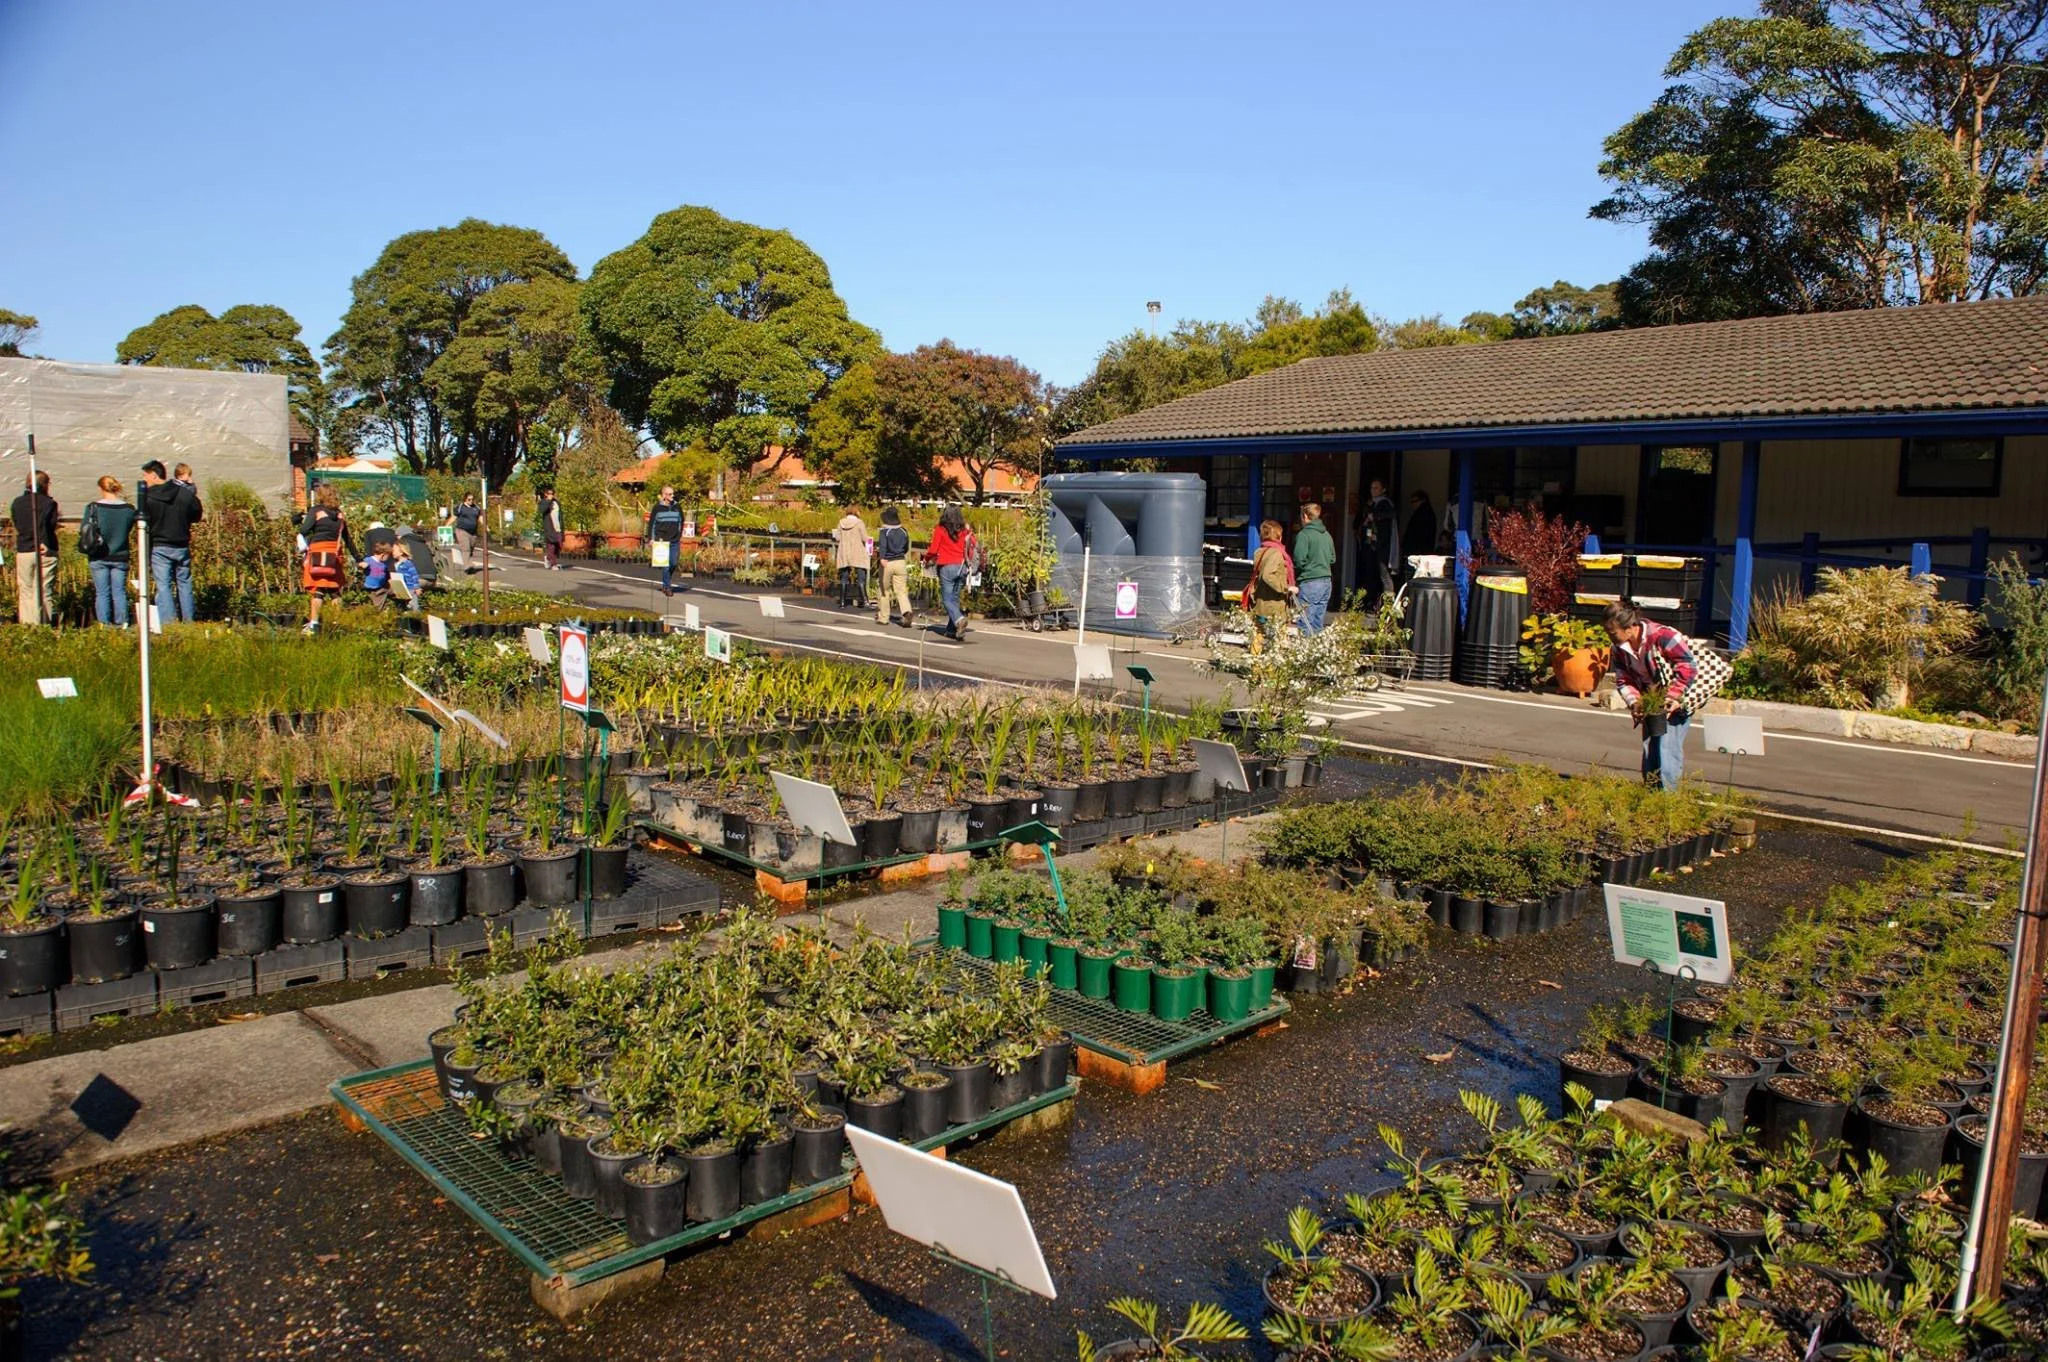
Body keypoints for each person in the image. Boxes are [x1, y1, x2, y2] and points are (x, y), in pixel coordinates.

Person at [1603, 601, 1697, 791]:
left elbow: (1688, 666)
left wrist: (1673, 697)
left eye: (1612, 632)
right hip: (1651, 701)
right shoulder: (1619, 648)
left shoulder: (1662, 635)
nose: (1609, 637)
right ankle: (1651, 797)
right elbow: (1623, 679)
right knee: (1650, 748)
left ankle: (1667, 803)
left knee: (1667, 748)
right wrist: (1635, 702)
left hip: (1676, 699)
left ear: (1630, 628)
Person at [139, 459, 201, 623]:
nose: (144, 480)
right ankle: (189, 620)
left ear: (153, 475)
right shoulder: (184, 493)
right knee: (184, 583)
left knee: (164, 585)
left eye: (145, 476)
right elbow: (197, 513)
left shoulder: (148, 497)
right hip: (181, 545)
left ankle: (169, 623)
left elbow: (142, 521)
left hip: (160, 546)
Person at [81, 475, 138, 627]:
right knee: (119, 592)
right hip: (120, 555)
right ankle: (122, 622)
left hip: (99, 556)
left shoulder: (93, 508)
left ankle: (104, 624)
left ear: (101, 488)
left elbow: (85, 530)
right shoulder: (128, 509)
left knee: (102, 593)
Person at [300, 484, 353, 634]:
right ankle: (337, 623)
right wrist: (358, 558)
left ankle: (314, 624)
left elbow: (304, 530)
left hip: (318, 553)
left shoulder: (316, 511)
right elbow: (348, 539)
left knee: (318, 590)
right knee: (335, 590)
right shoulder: (340, 515)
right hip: (334, 555)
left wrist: (302, 520)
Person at [10, 471, 57, 626]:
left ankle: (28, 626)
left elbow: (18, 524)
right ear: (44, 484)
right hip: (45, 550)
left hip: (24, 549)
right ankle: (44, 625)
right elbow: (48, 526)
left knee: (26, 591)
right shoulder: (49, 503)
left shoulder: (17, 502)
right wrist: (44, 541)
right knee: (44, 591)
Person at [922, 504, 975, 640]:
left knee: (947, 599)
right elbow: (972, 545)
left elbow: (933, 550)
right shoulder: (964, 530)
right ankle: (952, 630)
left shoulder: (940, 529)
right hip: (962, 567)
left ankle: (958, 619)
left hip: (946, 567)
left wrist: (927, 559)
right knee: (954, 599)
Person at [1244, 519, 1295, 647]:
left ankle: (1256, 664)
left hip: (1260, 603)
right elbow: (1267, 576)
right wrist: (1287, 588)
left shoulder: (1259, 552)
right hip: (1274, 605)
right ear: (1279, 536)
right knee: (1278, 637)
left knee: (1259, 635)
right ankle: (1273, 666)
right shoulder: (1277, 553)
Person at [1291, 502, 1335, 634]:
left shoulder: (1304, 535)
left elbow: (1299, 560)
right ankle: (1316, 650)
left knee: (1305, 621)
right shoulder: (1326, 535)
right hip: (1326, 581)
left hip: (1310, 580)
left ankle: (1305, 651)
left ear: (1305, 516)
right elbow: (1332, 558)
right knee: (1317, 621)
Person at [1356, 477, 1399, 607]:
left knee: (1384, 575)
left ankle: (1388, 606)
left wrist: (1374, 516)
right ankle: (1372, 603)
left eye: (1376, 488)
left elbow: (1390, 515)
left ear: (1383, 489)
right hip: (1370, 545)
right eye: (1371, 488)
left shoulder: (1385, 503)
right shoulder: (1370, 503)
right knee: (1371, 574)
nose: (1373, 490)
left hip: (1382, 546)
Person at [873, 506, 914, 628]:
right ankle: (906, 611)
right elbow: (906, 547)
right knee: (901, 590)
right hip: (901, 562)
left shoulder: (884, 532)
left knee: (884, 590)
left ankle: (884, 617)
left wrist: (882, 558)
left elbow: (883, 546)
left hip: (888, 562)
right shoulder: (903, 531)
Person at [644, 486, 684, 595]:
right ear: (664, 495)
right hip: (661, 541)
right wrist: (651, 539)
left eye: (673, 494)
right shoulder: (657, 508)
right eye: (670, 494)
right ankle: (667, 587)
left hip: (675, 540)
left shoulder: (677, 507)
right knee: (666, 565)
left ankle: (666, 582)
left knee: (673, 563)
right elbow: (652, 524)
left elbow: (681, 521)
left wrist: (679, 535)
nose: (672, 496)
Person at [832, 508, 871, 608]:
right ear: (856, 513)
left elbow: (837, 538)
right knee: (861, 576)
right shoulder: (859, 523)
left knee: (844, 578)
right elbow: (864, 538)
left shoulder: (841, 523)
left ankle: (842, 603)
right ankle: (865, 601)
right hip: (858, 551)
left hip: (844, 551)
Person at [1403, 491, 1438, 571]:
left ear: (1423, 500)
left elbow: (1415, 533)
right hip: (1422, 550)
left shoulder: (1422, 514)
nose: (1413, 504)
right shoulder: (1426, 513)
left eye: (1415, 501)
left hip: (1417, 551)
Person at [449, 493, 482, 572]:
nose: (471, 501)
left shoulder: (476, 508)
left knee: (470, 548)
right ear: (465, 499)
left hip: (473, 532)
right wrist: (446, 525)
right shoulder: (460, 507)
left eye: (472, 499)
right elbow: (454, 517)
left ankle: (469, 563)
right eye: (469, 499)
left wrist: (486, 527)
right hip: (462, 530)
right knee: (466, 548)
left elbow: (480, 518)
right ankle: (467, 566)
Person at [389, 542, 423, 613]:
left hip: (410, 588)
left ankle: (417, 619)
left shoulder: (407, 563)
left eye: (394, 550)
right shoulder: (395, 564)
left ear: (401, 552)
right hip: (400, 588)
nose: (392, 552)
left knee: (413, 605)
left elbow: (414, 575)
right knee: (402, 605)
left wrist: (417, 587)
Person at [537, 486, 564, 570]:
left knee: (558, 545)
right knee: (551, 545)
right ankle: (553, 564)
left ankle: (548, 558)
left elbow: (560, 515)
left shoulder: (556, 502)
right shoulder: (543, 502)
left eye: (552, 494)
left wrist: (562, 526)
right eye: (549, 494)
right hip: (549, 527)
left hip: (558, 527)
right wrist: (548, 501)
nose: (551, 495)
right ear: (545, 494)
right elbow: (542, 510)